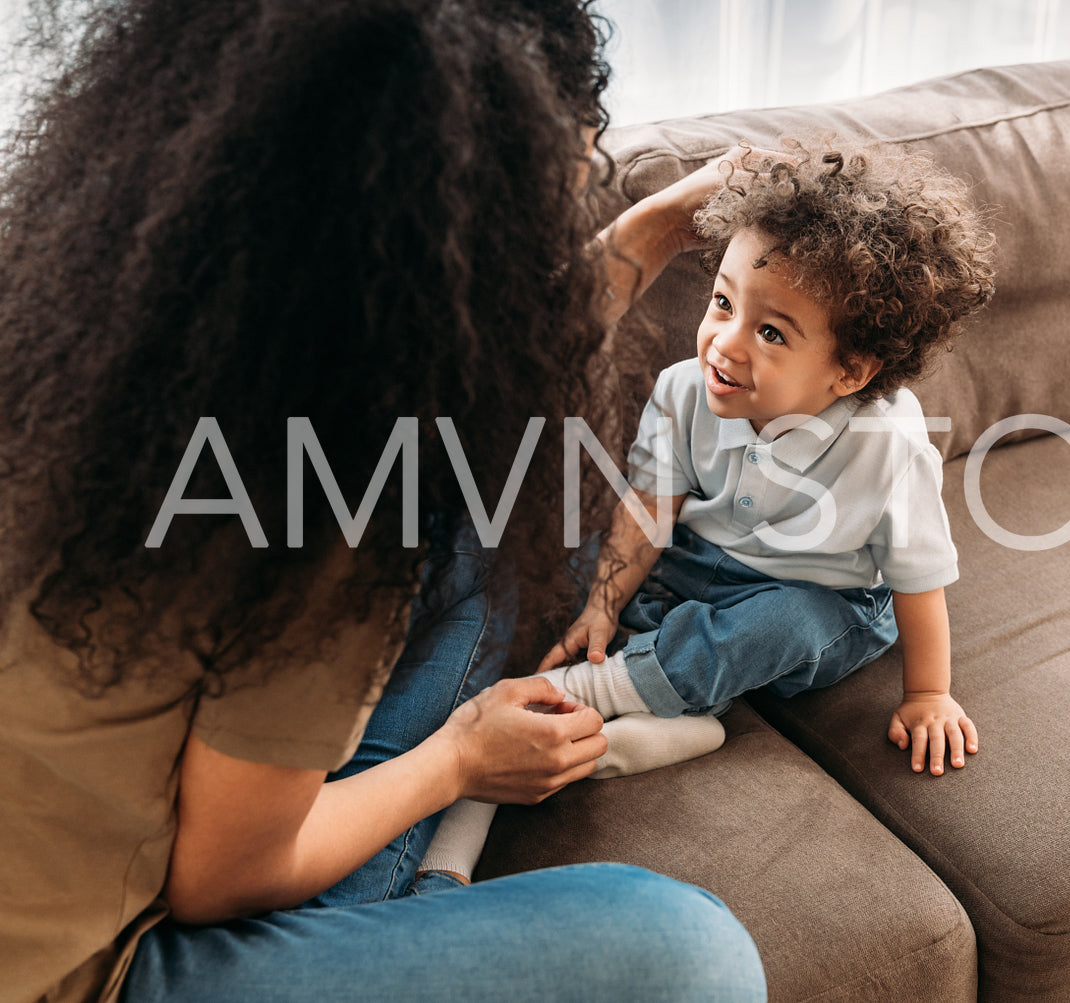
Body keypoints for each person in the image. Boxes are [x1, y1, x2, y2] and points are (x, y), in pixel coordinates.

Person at [0, 1, 766, 1000]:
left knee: (477, 529)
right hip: (88, 968)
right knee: (687, 955)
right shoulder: (319, 501)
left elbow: (481, 381)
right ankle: (404, 898)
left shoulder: (107, 319)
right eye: (554, 206)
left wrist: (656, 225)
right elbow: (216, 878)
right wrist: (458, 762)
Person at [534, 146, 996, 778]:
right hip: (695, 560)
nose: (724, 342)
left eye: (771, 333)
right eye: (724, 303)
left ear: (850, 371)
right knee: (583, 564)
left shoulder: (889, 446)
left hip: (820, 594)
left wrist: (928, 695)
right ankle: (685, 715)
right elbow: (648, 506)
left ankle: (599, 695)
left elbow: (919, 580)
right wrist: (603, 604)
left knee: (781, 627)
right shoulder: (682, 390)